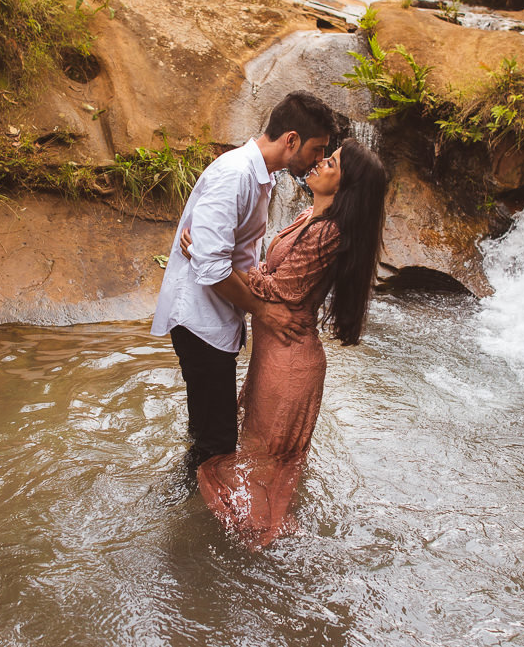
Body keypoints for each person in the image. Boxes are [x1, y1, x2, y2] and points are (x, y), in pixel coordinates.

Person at [190, 138, 388, 550]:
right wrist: (227, 262)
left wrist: (213, 258)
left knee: (264, 462)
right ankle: (258, 539)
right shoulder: (307, 217)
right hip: (276, 353)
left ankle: (261, 552)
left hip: (291, 362)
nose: (319, 163)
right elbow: (266, 275)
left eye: (330, 162)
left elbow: (278, 290)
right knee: (258, 459)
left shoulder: (329, 233)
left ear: (345, 183)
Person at [151, 91, 337, 473]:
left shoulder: (260, 176)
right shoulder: (234, 174)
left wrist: (203, 251)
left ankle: (190, 501)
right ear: (291, 140)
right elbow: (213, 269)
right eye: (318, 150)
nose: (319, 160)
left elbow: (223, 254)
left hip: (218, 320)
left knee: (209, 432)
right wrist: (264, 312)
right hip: (201, 322)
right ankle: (185, 516)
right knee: (216, 445)